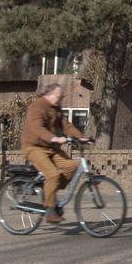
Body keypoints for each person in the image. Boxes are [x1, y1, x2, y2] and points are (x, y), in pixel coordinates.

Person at [21, 83, 90, 224]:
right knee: (52, 174)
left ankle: (49, 192)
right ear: (49, 94)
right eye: (59, 97)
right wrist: (54, 138)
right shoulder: (37, 106)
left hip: (51, 148)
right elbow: (37, 128)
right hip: (33, 147)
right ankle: (50, 210)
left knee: (71, 166)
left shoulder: (56, 108)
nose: (61, 99)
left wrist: (80, 136)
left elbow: (67, 125)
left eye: (62, 97)